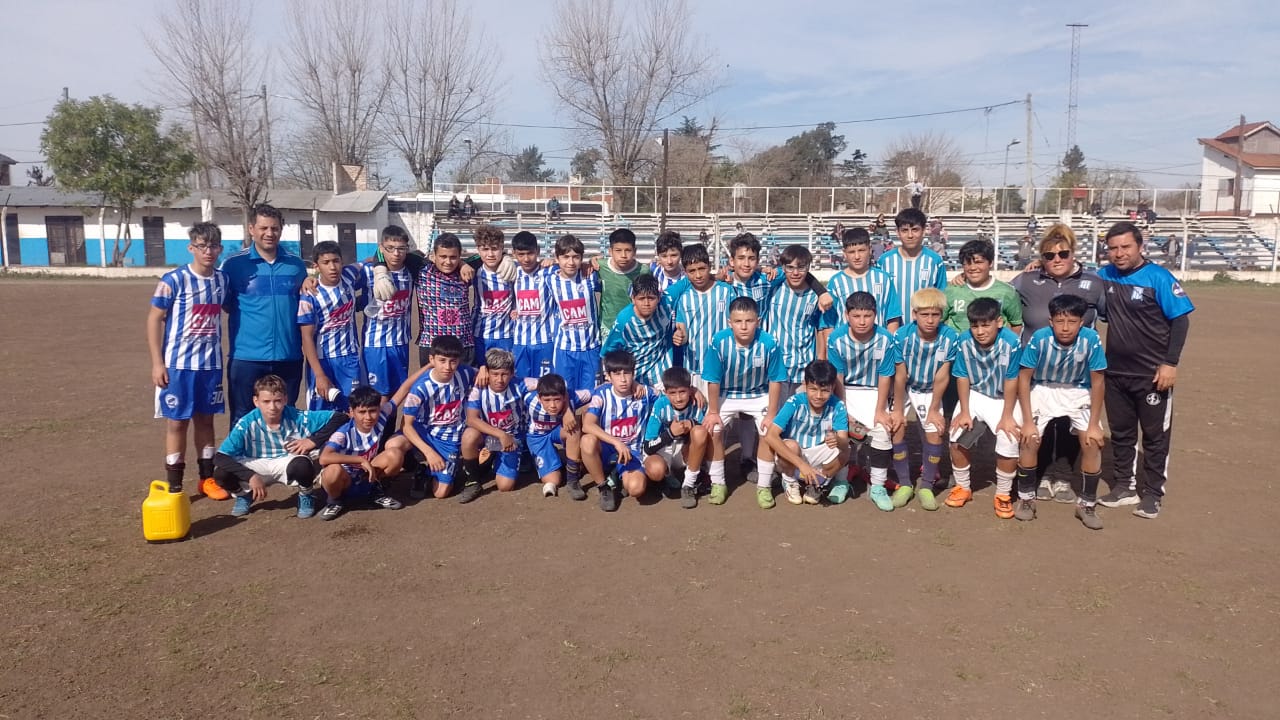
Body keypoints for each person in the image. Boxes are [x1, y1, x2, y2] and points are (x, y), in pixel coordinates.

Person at [1095, 221, 1194, 519]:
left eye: (1125, 247)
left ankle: (1152, 493)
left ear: (1140, 246)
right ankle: (1124, 487)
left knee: (1155, 436)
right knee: (1121, 433)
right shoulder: (1105, 276)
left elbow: (1180, 321)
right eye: (1113, 248)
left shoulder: (1158, 278)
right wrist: (1039, 264)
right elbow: (1076, 280)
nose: (1119, 253)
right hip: (1115, 373)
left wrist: (1170, 363)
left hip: (1152, 374)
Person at [1011, 223, 1105, 502]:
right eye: (1049, 255)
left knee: (1068, 426)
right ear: (1041, 257)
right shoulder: (1027, 280)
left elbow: (1111, 313)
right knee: (1038, 427)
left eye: (1063, 254)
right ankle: (1040, 475)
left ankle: (1062, 475)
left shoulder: (1093, 282)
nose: (1057, 260)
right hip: (1036, 370)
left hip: (1076, 372)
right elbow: (998, 295)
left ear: (1073, 253)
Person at [147, 222, 229, 500]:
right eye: (202, 246)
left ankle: (207, 479)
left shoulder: (222, 280)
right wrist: (157, 363)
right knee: (177, 423)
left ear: (220, 249)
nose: (208, 251)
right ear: (191, 248)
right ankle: (174, 484)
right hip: (178, 366)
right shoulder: (173, 280)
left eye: (213, 246)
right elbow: (154, 319)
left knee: (206, 421)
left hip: (210, 365)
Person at [1014, 294, 1108, 530]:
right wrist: (1028, 421)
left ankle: (1086, 504)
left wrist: (1095, 424)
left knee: (1092, 443)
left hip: (1077, 390)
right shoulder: (1039, 338)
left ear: (1082, 322)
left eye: (1072, 322)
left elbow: (1098, 382)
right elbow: (1024, 378)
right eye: (1059, 321)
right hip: (1043, 388)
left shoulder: (1091, 339)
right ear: (1051, 321)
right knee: (1029, 439)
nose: (1065, 328)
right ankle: (1026, 498)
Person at [212, 374, 348, 518]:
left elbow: (340, 417)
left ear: (285, 399)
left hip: (286, 462)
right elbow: (220, 457)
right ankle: (244, 495)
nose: (272, 407)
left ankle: (306, 494)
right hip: (255, 463)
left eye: (277, 401)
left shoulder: (298, 417)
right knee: (221, 473)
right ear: (256, 401)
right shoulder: (246, 423)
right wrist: (250, 476)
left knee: (303, 465)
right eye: (266, 401)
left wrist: (312, 441)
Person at [221, 204, 309, 424]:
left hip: (288, 356)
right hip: (247, 357)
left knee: (285, 417)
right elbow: (226, 304)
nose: (269, 233)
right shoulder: (233, 265)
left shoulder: (296, 265)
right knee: (243, 419)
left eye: (275, 228)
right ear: (251, 229)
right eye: (263, 228)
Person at [701, 296, 787, 509]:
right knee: (713, 429)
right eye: (738, 321)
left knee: (768, 431)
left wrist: (771, 414)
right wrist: (713, 411)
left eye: (749, 321)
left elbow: (775, 380)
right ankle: (718, 483)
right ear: (729, 322)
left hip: (758, 393)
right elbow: (713, 379)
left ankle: (764, 486)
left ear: (758, 321)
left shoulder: (769, 343)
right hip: (726, 393)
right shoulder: (718, 342)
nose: (744, 326)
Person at [945, 298, 1022, 517]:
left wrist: (1007, 415)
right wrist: (965, 411)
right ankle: (963, 487)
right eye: (975, 326)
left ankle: (1003, 494)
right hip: (976, 394)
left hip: (1004, 397)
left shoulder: (1012, 342)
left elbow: (1012, 380)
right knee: (956, 434)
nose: (980, 331)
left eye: (986, 325)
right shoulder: (963, 341)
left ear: (999, 322)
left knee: (1009, 437)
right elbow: (962, 376)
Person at [827, 292, 900, 508]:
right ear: (847, 315)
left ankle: (877, 486)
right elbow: (837, 378)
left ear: (875, 315)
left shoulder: (886, 339)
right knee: (841, 432)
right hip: (846, 390)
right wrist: (842, 409)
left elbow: (885, 376)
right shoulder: (836, 339)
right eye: (856, 316)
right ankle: (841, 481)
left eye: (867, 316)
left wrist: (880, 410)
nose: (862, 321)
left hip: (874, 391)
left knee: (881, 431)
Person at [316, 375, 425, 521]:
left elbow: (404, 388)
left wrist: (430, 366)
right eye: (362, 412)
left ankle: (376, 491)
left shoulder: (382, 416)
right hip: (345, 479)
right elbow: (324, 458)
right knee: (332, 471)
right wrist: (360, 460)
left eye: (373, 411)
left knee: (395, 455)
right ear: (351, 412)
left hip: (366, 475)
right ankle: (335, 501)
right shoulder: (342, 433)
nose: (368, 417)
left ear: (379, 409)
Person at [891, 288, 959, 511]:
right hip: (905, 386)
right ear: (914, 314)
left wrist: (934, 409)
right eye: (924, 314)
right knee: (896, 427)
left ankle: (927, 486)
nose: (930, 320)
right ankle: (904, 484)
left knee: (935, 432)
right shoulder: (902, 336)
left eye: (935, 314)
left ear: (942, 315)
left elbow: (942, 376)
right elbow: (900, 374)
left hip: (931, 389)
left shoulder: (950, 337)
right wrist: (898, 409)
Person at [582, 350, 659, 512]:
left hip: (632, 451)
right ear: (608, 376)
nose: (623, 379)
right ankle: (603, 487)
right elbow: (587, 425)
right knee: (587, 441)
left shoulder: (644, 392)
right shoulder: (601, 394)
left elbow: (670, 397)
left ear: (633, 374)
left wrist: (694, 391)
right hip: (608, 449)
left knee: (636, 489)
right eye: (617, 374)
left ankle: (619, 475)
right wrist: (616, 442)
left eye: (627, 373)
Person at [764, 359, 850, 506]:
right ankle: (790, 481)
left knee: (846, 449)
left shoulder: (838, 406)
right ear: (805, 384)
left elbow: (843, 440)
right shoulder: (794, 402)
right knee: (791, 445)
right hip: (794, 456)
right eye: (813, 389)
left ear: (833, 388)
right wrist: (801, 464)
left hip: (818, 453)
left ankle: (818, 484)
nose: (818, 396)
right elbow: (771, 436)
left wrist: (838, 441)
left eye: (825, 390)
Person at [401, 335, 476, 499]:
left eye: (453, 361)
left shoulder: (465, 373)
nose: (448, 367)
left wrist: (484, 369)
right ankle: (417, 467)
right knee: (394, 444)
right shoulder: (420, 388)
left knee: (441, 493)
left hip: (449, 437)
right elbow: (406, 426)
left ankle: (428, 472)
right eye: (442, 360)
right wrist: (429, 453)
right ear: (431, 359)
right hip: (424, 432)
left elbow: (488, 375)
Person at [298, 241, 364, 412]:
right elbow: (306, 337)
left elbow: (371, 260)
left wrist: (380, 270)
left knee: (352, 410)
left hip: (349, 358)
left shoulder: (349, 275)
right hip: (322, 361)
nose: (332, 267)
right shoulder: (309, 295)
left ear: (342, 261)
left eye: (336, 261)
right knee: (320, 414)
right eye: (326, 262)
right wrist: (319, 374)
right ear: (316, 266)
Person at [764, 244, 838, 394]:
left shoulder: (817, 296)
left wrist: (820, 364)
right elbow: (748, 272)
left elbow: (823, 330)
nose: (795, 273)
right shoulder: (772, 286)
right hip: (774, 367)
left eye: (801, 267)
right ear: (783, 268)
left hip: (804, 369)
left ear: (808, 267)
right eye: (790, 268)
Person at [455, 349, 526, 503]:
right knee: (469, 435)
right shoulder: (479, 388)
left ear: (512, 373)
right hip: (489, 436)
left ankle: (494, 458)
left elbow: (554, 385)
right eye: (495, 374)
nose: (499, 379)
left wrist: (567, 412)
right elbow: (471, 419)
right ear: (487, 372)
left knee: (505, 486)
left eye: (504, 374)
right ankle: (473, 481)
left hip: (512, 439)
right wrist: (500, 434)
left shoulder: (521, 384)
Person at [671, 243, 736, 393]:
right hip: (695, 370)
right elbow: (682, 330)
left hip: (725, 366)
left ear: (709, 266)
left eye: (702, 268)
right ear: (685, 272)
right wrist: (680, 336)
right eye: (692, 271)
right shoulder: (684, 298)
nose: (698, 275)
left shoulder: (726, 291)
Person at [642, 367, 709, 509]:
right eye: (672, 393)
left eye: (682, 392)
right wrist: (671, 433)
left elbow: (705, 432)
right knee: (655, 469)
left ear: (690, 390)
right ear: (665, 392)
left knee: (702, 432)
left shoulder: (698, 403)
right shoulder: (660, 405)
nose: (678, 398)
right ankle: (661, 479)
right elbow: (648, 447)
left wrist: (692, 424)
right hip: (662, 448)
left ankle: (689, 484)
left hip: (684, 449)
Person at [361, 226, 415, 400]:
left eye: (401, 248)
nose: (396, 253)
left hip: (401, 343)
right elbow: (339, 279)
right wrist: (309, 280)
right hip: (376, 345)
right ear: (381, 248)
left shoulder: (411, 271)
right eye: (390, 248)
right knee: (377, 397)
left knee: (397, 395)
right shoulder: (367, 271)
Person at [546, 234, 602, 393]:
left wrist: (595, 260)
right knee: (564, 395)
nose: (571, 262)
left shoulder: (590, 276)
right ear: (557, 258)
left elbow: (611, 265)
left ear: (581, 258)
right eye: (565, 257)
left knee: (591, 397)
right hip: (565, 350)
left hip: (591, 348)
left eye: (576, 257)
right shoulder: (549, 279)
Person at [878, 207, 948, 329]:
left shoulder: (935, 261)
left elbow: (942, 297)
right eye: (904, 230)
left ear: (924, 230)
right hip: (892, 331)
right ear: (897, 232)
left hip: (924, 332)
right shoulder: (884, 261)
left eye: (915, 230)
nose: (910, 235)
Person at [523, 373, 590, 500]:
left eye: (557, 399)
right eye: (547, 400)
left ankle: (572, 480)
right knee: (554, 480)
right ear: (539, 397)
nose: (552, 405)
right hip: (538, 437)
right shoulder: (528, 399)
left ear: (564, 397)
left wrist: (567, 409)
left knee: (574, 428)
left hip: (558, 431)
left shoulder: (574, 397)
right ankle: (558, 458)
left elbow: (597, 392)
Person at [415, 232, 476, 367]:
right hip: (431, 346)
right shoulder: (421, 271)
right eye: (443, 256)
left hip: (463, 344)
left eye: (453, 257)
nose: (448, 262)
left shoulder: (467, 272)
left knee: (465, 380)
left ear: (460, 256)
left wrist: (463, 264)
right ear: (434, 256)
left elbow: (489, 256)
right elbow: (387, 252)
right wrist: (379, 266)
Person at [602, 274, 673, 388]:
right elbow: (608, 352)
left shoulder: (667, 303)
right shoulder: (624, 320)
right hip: (634, 379)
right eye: (641, 298)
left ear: (659, 297)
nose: (646, 303)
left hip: (661, 376)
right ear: (633, 298)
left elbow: (686, 283)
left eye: (651, 298)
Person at [944, 240, 1022, 335]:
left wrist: (1008, 343)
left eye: (978, 262)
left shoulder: (1007, 292)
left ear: (990, 263)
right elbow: (938, 320)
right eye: (968, 263)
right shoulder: (952, 290)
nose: (973, 268)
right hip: (959, 344)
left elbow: (1016, 323)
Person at [510, 230, 556, 379]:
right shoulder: (512, 272)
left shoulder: (548, 271)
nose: (526, 259)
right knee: (520, 384)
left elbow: (571, 264)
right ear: (514, 254)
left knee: (545, 385)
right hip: (520, 342)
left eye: (530, 253)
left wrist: (554, 261)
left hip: (545, 342)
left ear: (538, 251)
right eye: (521, 254)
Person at [596, 227, 649, 339]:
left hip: (634, 329)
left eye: (628, 250)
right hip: (608, 328)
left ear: (635, 251)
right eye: (618, 250)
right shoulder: (600, 267)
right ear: (610, 251)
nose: (623, 255)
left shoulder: (643, 271)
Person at [472, 225, 516, 358]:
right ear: (478, 250)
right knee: (481, 371)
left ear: (502, 248)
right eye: (485, 249)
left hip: (507, 335)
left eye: (495, 249)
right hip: (480, 335)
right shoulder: (473, 272)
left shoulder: (513, 270)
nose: (490, 254)